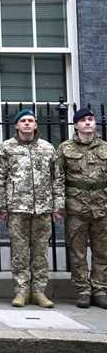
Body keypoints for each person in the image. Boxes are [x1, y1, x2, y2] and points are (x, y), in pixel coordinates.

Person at [0, 107, 64, 309]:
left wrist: (57, 206)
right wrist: (1, 206)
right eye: (23, 120)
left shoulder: (48, 148)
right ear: (16, 125)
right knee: (19, 252)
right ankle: (21, 291)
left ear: (35, 125)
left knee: (41, 252)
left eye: (30, 120)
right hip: (17, 208)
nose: (26, 123)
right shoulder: (6, 148)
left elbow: (57, 179)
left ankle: (39, 291)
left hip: (43, 208)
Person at [60, 105, 107, 309]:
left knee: (102, 251)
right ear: (76, 124)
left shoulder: (105, 147)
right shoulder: (65, 148)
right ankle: (83, 290)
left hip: (102, 205)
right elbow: (57, 179)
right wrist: (59, 205)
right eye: (83, 120)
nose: (88, 122)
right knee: (78, 252)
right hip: (76, 206)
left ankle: (100, 288)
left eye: (91, 119)